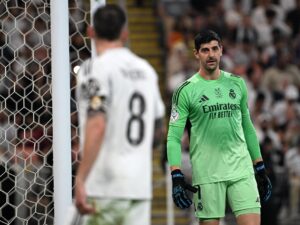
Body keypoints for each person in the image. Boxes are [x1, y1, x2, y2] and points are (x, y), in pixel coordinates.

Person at [71, 4, 165, 225]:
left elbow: (97, 124)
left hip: (105, 185)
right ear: (125, 33)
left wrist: (82, 178)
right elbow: (157, 132)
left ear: (91, 32)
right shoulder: (146, 70)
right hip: (139, 187)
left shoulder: (94, 69)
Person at [166, 30, 272, 225]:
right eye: (205, 50)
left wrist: (260, 166)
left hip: (241, 169)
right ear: (196, 54)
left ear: (221, 50)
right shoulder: (186, 90)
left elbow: (247, 127)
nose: (211, 54)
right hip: (207, 174)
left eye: (215, 49)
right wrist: (176, 174)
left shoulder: (237, 83)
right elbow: (173, 137)